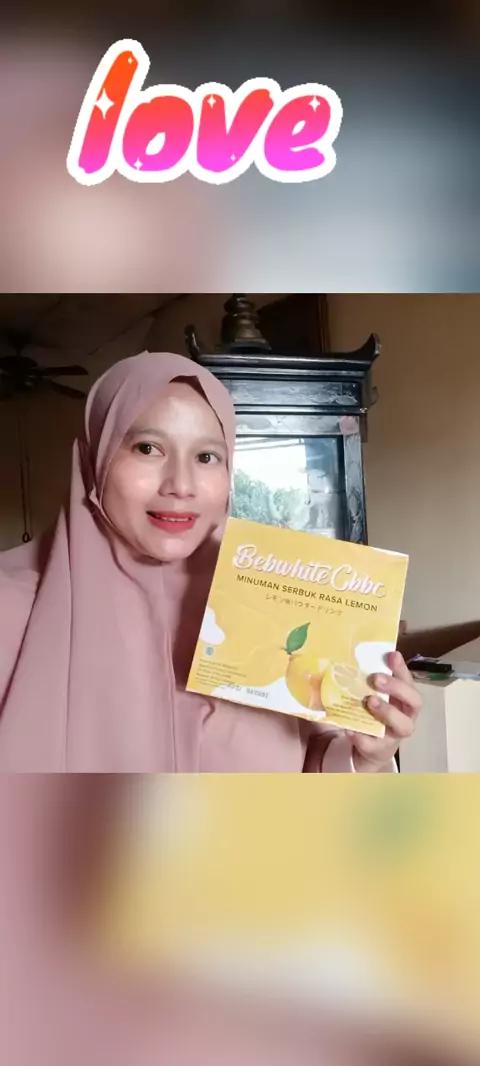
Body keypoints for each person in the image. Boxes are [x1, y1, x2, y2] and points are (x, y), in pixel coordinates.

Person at [0, 352, 421, 771]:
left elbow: (312, 761)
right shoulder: (13, 607)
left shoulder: (272, 599)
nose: (181, 485)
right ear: (96, 460)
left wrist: (362, 756)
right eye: (148, 448)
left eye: (206, 457)